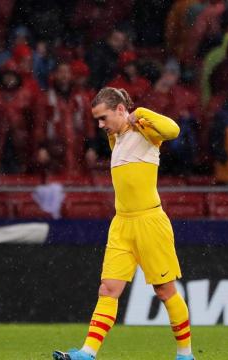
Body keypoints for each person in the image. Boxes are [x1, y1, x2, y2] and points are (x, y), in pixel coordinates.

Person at [53, 88, 194, 360]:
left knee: (165, 291)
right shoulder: (114, 138)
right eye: (97, 120)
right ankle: (87, 353)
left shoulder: (145, 129)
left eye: (103, 118)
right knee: (108, 289)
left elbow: (173, 129)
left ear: (120, 109)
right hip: (121, 224)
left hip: (149, 221)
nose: (100, 125)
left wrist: (139, 113)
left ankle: (185, 355)